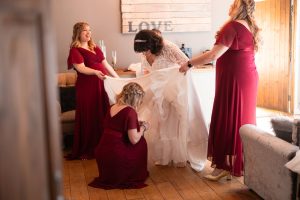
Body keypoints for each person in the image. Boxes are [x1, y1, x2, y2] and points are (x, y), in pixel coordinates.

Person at [179, 0, 260, 180]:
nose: (229, 6)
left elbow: (214, 54)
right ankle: (233, 165)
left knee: (228, 118)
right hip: (247, 77)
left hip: (235, 80)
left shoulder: (232, 27)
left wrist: (189, 63)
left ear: (238, 7)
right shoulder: (249, 26)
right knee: (240, 120)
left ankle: (224, 166)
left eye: (233, 3)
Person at [133, 29, 209, 171]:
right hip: (160, 91)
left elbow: (187, 64)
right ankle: (166, 156)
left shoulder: (168, 47)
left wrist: (173, 76)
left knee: (179, 121)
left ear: (152, 44)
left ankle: (184, 155)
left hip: (176, 90)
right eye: (142, 51)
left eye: (145, 50)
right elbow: (148, 69)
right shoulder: (145, 52)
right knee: (163, 122)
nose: (144, 53)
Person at [66, 22, 119, 160]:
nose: (88, 33)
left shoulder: (94, 47)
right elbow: (81, 68)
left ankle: (103, 146)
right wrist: (95, 72)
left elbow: (106, 65)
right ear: (78, 33)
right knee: (90, 114)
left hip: (101, 84)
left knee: (101, 113)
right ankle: (88, 148)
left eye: (89, 30)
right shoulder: (75, 50)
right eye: (85, 31)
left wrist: (118, 78)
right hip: (87, 87)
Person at [88, 82, 149, 189]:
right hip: (117, 154)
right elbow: (134, 139)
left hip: (103, 151)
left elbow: (116, 125)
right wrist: (144, 127)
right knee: (141, 142)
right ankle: (131, 172)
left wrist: (135, 124)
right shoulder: (130, 111)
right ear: (136, 98)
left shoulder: (112, 106)